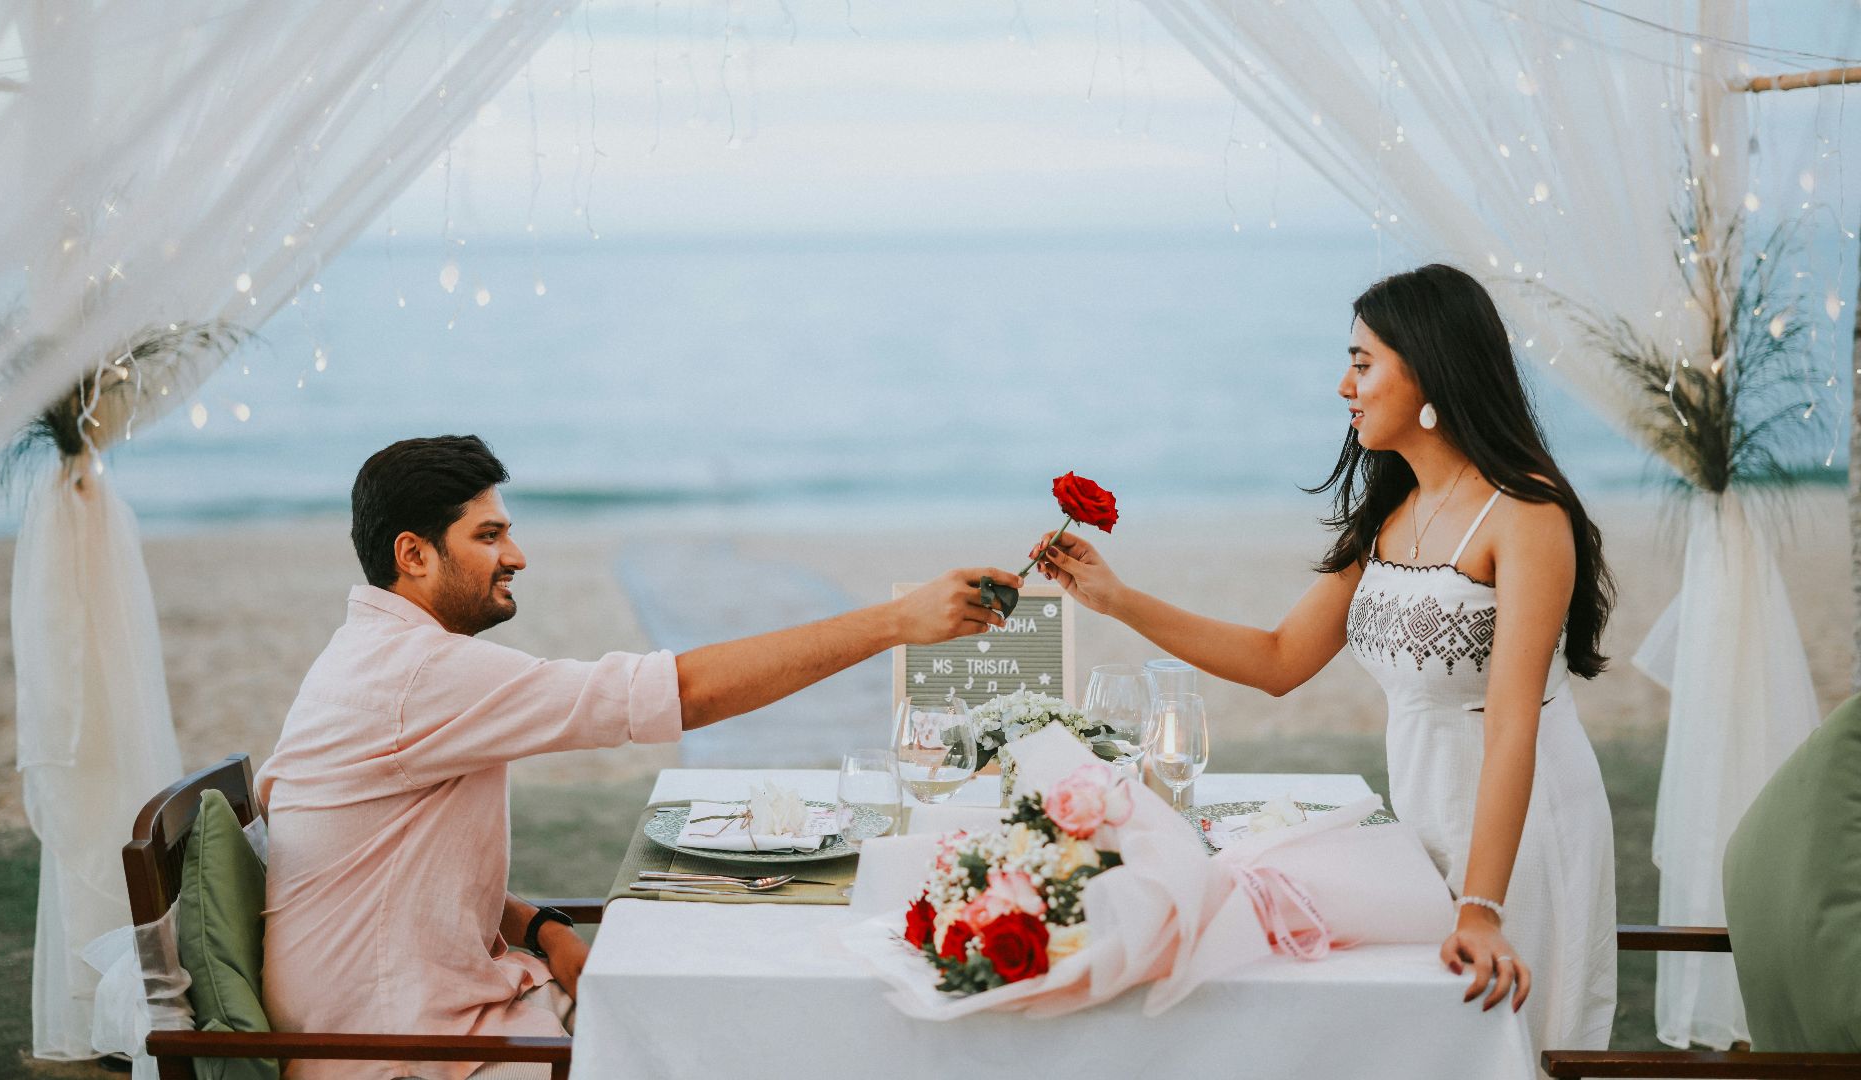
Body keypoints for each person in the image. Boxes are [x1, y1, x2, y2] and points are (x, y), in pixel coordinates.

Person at [257, 434, 1021, 1080]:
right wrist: (895, 622)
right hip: (406, 1055)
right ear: (413, 555)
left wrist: (540, 928)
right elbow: (680, 691)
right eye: (487, 536)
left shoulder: (378, 659)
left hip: (458, 1010)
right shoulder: (416, 675)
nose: (516, 555)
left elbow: (393, 872)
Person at [1031, 264, 1617, 1053]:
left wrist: (1483, 905)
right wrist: (1119, 600)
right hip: (1424, 814)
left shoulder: (1527, 514)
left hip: (1521, 828)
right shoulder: (1393, 510)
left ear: (1432, 368)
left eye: (1363, 362)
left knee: (1502, 1047)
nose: (1345, 385)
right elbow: (1279, 660)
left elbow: (1511, 724)